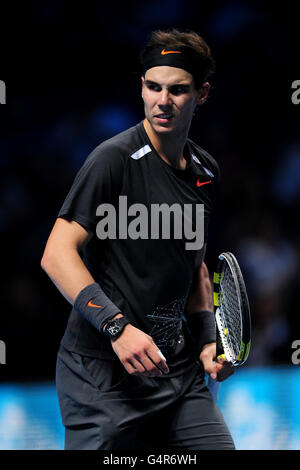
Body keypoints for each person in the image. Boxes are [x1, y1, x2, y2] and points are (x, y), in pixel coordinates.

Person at [41, 28, 235, 450]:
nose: (162, 101)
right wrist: (117, 327)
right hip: (102, 377)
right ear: (141, 87)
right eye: (153, 86)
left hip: (177, 375)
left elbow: (195, 267)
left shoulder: (205, 172)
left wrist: (205, 337)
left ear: (201, 95)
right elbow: (56, 254)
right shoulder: (112, 159)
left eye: (178, 90)